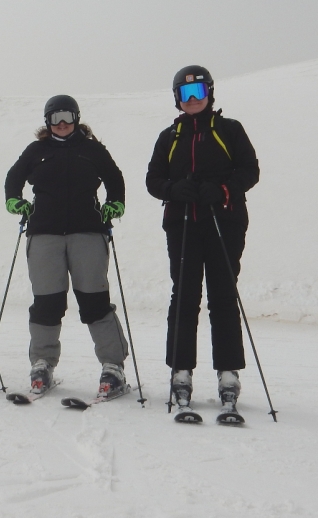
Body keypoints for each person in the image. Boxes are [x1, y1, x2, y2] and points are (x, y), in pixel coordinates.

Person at [146, 66, 260, 411]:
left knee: (223, 294)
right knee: (184, 295)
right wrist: (173, 188)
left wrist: (222, 189)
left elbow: (250, 170)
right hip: (182, 224)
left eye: (198, 94)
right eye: (185, 95)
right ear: (177, 99)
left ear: (210, 94)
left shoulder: (229, 130)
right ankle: (181, 370)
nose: (193, 101)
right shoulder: (170, 136)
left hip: (224, 221)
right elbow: (153, 180)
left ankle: (228, 372)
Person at [4, 95, 129, 396]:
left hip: (87, 232)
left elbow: (115, 179)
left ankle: (113, 365)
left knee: (94, 299)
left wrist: (115, 205)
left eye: (67, 117)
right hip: (44, 233)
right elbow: (14, 177)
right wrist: (14, 200)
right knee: (47, 301)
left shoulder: (92, 150)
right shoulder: (37, 150)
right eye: (55, 118)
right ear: (47, 121)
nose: (62, 124)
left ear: (76, 118)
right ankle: (43, 362)